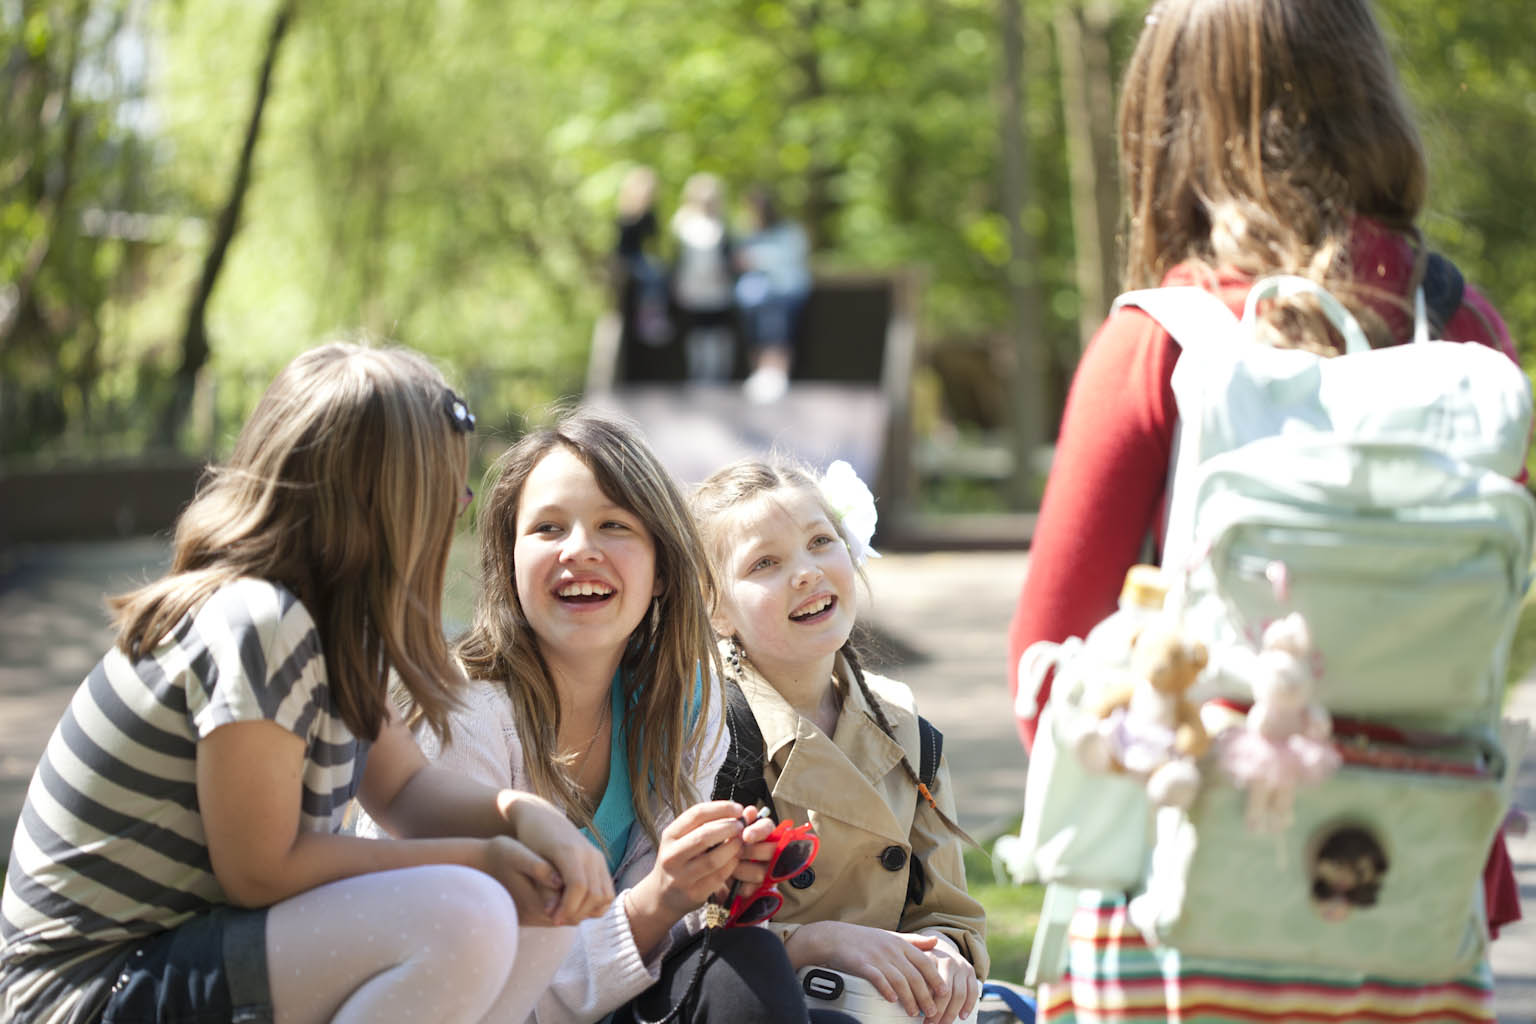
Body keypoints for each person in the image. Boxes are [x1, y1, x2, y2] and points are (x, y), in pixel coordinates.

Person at [1005, 0, 1521, 1019]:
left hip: (1186, 911)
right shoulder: (1465, 338)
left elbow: (1045, 666)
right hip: (1408, 890)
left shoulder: (1162, 345)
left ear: (1172, 125)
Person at [0, 342, 614, 1024]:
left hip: (179, 966)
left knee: (539, 904)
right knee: (466, 913)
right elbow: (261, 870)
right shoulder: (257, 621)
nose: (460, 506)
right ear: (379, 502)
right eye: (445, 489)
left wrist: (526, 820)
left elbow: (406, 790)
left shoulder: (334, 631)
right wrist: (481, 859)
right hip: (86, 992)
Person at [358, 408, 837, 1023]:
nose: (579, 550)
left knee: (757, 974)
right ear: (508, 562)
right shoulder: (464, 720)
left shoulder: (689, 702)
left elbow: (663, 939)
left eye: (614, 525)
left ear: (663, 569)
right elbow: (490, 991)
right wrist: (660, 900)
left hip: (608, 1002)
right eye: (549, 529)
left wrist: (709, 880)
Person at [692, 457, 990, 1024]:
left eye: (820, 541)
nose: (805, 573)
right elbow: (685, 935)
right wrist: (815, 941)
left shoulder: (904, 724)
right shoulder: (706, 731)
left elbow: (950, 910)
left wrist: (949, 957)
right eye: (766, 562)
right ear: (715, 606)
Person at [734, 186, 812, 404]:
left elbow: (791, 259)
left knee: (775, 325)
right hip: (755, 299)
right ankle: (759, 373)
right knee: (756, 326)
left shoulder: (790, 232)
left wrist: (757, 259)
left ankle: (776, 373)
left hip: (784, 292)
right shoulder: (748, 233)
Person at [670, 173, 738, 383]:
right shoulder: (682, 225)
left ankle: (718, 375)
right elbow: (677, 260)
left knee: (719, 333)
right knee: (697, 333)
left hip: (719, 289)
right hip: (693, 290)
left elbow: (730, 257)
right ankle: (699, 376)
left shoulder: (723, 226)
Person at [614, 165, 678, 379]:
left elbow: (654, 241)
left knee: (658, 272)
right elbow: (621, 246)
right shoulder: (626, 214)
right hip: (629, 259)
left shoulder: (650, 214)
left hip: (643, 257)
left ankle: (655, 314)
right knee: (651, 275)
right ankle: (649, 317)